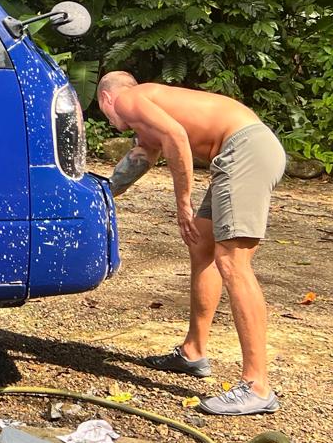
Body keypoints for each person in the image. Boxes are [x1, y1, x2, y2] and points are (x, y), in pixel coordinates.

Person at [96, 71, 287, 416]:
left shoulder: (129, 98)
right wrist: (102, 195)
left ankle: (257, 386)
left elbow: (177, 138)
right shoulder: (150, 110)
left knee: (233, 263)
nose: (111, 121)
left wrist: (183, 202)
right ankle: (194, 351)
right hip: (241, 152)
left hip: (244, 149)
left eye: (104, 112)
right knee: (203, 246)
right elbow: (143, 156)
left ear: (107, 99)